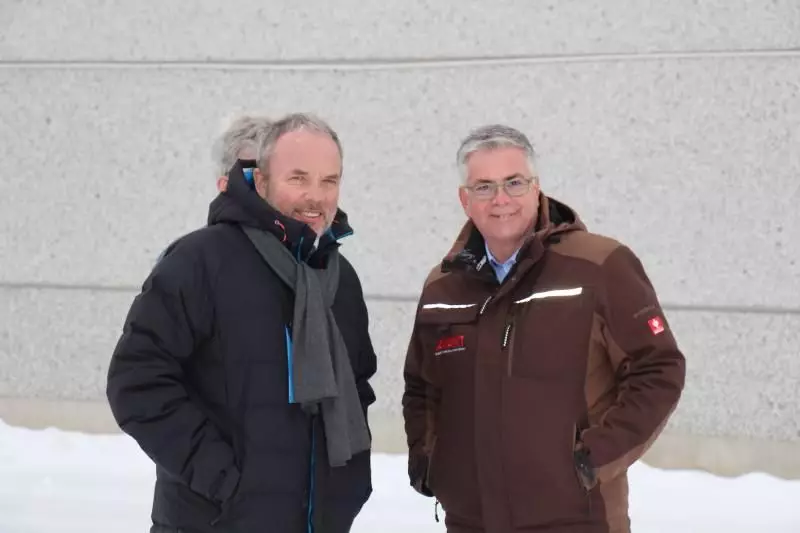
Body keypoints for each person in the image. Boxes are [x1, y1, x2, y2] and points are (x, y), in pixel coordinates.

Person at [402, 124, 686, 533]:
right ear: (465, 200)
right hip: (471, 521)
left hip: (575, 518)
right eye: (483, 187)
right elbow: (422, 386)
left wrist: (596, 458)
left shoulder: (599, 266)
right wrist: (429, 459)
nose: (501, 200)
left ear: (536, 189)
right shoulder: (443, 286)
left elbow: (657, 369)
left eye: (514, 183)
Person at [107, 113, 377, 533]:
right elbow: (137, 383)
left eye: (329, 181)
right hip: (214, 520)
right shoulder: (200, 262)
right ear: (261, 181)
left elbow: (358, 387)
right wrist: (222, 479)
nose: (315, 196)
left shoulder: (339, 279)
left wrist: (349, 484)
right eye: (298, 178)